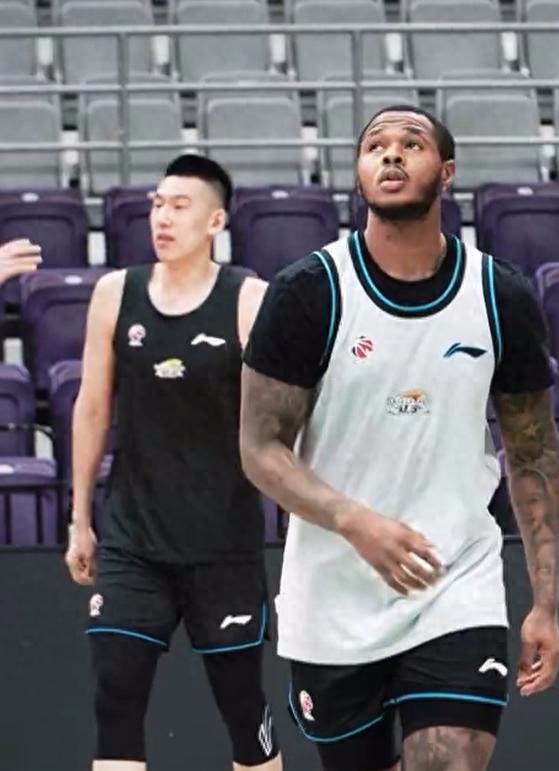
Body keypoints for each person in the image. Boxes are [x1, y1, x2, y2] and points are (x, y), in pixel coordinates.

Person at [240, 105, 559, 771]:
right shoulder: (309, 292)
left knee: (446, 759)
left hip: (454, 581)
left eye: (410, 143)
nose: (390, 155)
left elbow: (533, 452)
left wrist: (545, 603)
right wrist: (355, 521)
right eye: (375, 146)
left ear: (446, 172)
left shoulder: (497, 294)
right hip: (334, 592)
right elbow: (259, 449)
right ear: (358, 174)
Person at [64, 154, 283, 771]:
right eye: (158, 204)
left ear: (215, 221)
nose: (162, 217)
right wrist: (80, 520)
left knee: (244, 710)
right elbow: (91, 409)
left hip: (223, 544)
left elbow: (286, 416)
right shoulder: (115, 294)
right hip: (134, 541)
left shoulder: (249, 299)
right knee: (116, 701)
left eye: (180, 206)